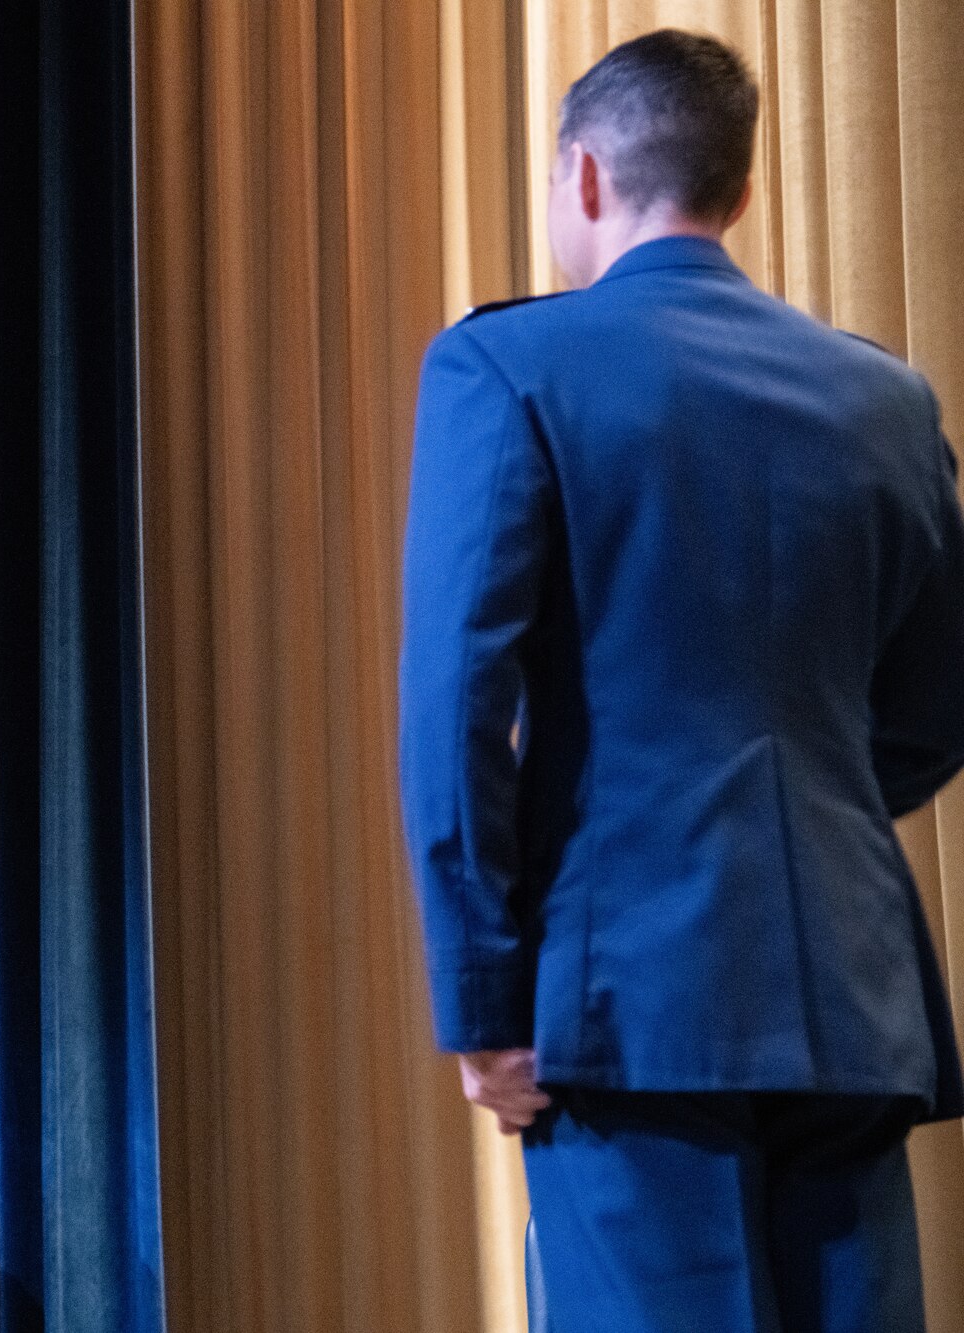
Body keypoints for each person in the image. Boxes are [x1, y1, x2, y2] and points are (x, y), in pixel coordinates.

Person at [398, 28, 964, 1333]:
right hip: (852, 1001)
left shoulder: (508, 365)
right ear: (744, 194)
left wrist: (485, 997)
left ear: (582, 178)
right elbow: (940, 701)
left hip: (625, 997)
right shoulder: (888, 398)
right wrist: (813, 813)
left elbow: (456, 711)